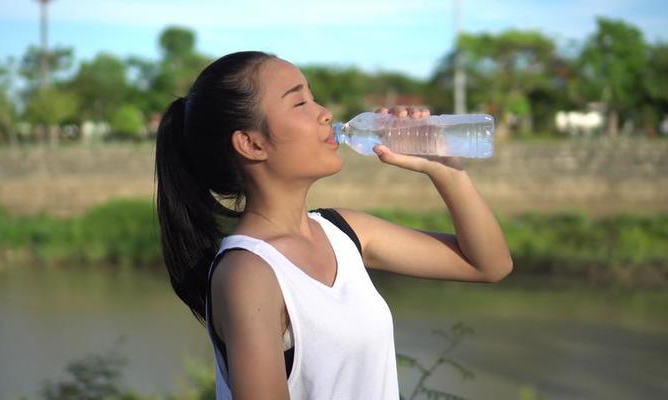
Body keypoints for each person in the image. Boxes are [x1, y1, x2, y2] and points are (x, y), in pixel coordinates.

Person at [154, 51, 513, 400]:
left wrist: (442, 166)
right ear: (251, 143)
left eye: (314, 98)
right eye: (299, 103)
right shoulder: (249, 273)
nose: (325, 114)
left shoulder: (344, 231)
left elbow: (488, 265)